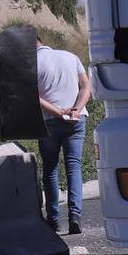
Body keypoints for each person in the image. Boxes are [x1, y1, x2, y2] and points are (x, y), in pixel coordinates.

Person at [36, 32, 91, 236]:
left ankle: (53, 220)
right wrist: (76, 109)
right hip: (77, 120)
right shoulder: (70, 56)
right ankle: (75, 216)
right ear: (42, 41)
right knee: (73, 167)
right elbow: (86, 86)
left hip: (49, 122)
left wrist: (58, 111)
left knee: (50, 170)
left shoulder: (32, 63)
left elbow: (32, 96)